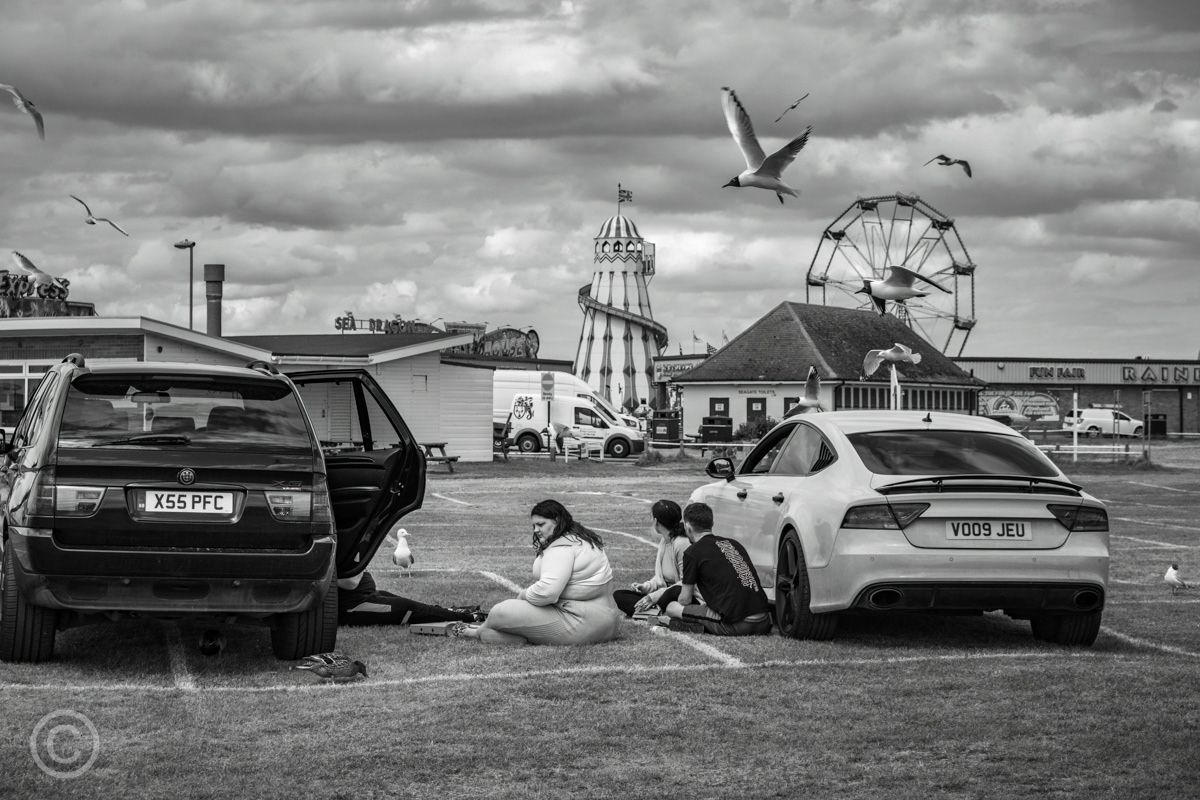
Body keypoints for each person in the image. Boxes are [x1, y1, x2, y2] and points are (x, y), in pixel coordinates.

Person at [449, 499, 621, 645]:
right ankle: (510, 638)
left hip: (584, 624)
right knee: (514, 612)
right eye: (534, 525)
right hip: (608, 622)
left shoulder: (561, 547)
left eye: (541, 524)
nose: (536, 530)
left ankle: (477, 632)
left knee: (500, 611)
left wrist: (524, 594)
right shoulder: (581, 538)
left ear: (558, 520)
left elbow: (547, 593)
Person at [663, 502, 772, 636]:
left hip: (737, 623)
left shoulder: (692, 552)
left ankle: (694, 624)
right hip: (765, 620)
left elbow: (684, 600)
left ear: (687, 527)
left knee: (672, 607)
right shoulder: (733, 544)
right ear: (712, 523)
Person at [611, 499, 692, 617]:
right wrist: (646, 587)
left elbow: (686, 583)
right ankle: (655, 611)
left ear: (656, 521)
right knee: (619, 595)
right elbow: (661, 577)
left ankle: (655, 611)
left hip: (676, 595)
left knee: (673, 592)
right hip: (660, 595)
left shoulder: (681, 543)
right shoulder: (665, 540)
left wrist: (655, 596)